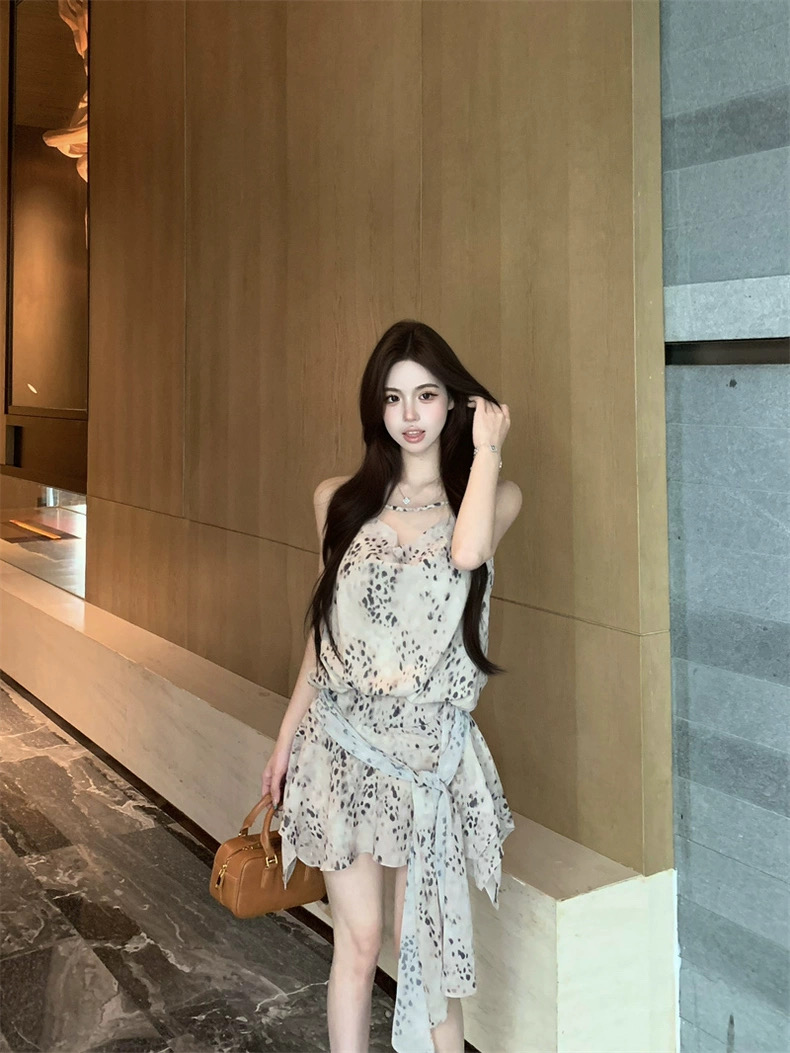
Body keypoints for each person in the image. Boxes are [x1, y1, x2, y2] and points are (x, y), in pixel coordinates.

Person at [261, 319, 522, 1053]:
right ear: (375, 406)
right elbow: (324, 640)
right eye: (393, 397)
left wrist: (489, 447)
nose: (409, 414)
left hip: (429, 762)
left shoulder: (492, 497)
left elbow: (467, 552)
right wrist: (284, 741)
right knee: (359, 939)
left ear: (455, 403)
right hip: (341, 748)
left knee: (424, 947)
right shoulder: (338, 501)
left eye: (427, 395)